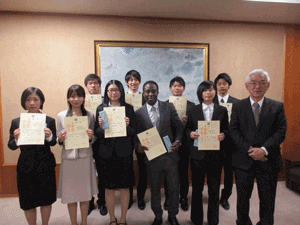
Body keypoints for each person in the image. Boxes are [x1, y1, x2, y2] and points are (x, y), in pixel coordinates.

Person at [230, 69, 287, 225]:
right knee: (242, 199)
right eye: (253, 83)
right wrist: (250, 150)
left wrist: (263, 150)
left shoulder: (277, 106)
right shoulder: (238, 106)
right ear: (247, 85)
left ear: (267, 85)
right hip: (243, 160)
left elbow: (281, 132)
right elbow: (233, 131)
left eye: (262, 83)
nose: (257, 87)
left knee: (268, 200)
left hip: (268, 160)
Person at [135, 80, 184, 225]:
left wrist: (178, 141)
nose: (150, 94)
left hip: (170, 153)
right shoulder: (138, 113)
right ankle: (157, 215)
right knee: (155, 189)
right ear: (143, 94)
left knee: (174, 187)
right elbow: (136, 135)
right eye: (147, 91)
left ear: (158, 92)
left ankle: (172, 215)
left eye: (153, 91)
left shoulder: (168, 107)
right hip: (152, 156)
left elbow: (179, 127)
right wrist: (138, 146)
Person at [8, 87, 57, 225]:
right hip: (25, 166)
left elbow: (53, 143)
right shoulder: (17, 122)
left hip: (45, 165)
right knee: (28, 201)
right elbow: (11, 145)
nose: (32, 103)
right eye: (28, 100)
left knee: (46, 200)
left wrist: (50, 136)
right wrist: (16, 138)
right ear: (23, 102)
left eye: (35, 99)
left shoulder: (49, 120)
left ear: (41, 101)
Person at [94, 80, 137, 225]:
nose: (113, 93)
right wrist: (100, 127)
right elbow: (97, 133)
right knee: (109, 188)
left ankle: (123, 218)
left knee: (125, 187)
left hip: (124, 153)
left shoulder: (129, 109)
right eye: (110, 90)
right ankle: (112, 218)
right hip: (106, 153)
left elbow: (133, 132)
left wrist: (127, 126)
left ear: (121, 92)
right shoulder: (101, 108)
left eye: (116, 90)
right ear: (106, 92)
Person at [186, 80, 228, 225]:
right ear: (200, 93)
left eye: (211, 90)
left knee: (214, 190)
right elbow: (186, 129)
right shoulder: (193, 110)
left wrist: (224, 135)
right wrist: (190, 134)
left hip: (215, 156)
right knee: (197, 189)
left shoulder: (222, 110)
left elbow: (227, 129)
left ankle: (213, 220)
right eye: (205, 90)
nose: (208, 93)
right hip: (198, 156)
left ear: (214, 92)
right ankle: (196, 219)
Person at [57, 84, 98, 225]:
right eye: (73, 96)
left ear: (83, 98)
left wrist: (91, 136)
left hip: (85, 157)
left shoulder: (90, 115)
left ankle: (84, 221)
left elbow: (93, 139)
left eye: (79, 96)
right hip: (69, 159)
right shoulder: (61, 116)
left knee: (85, 194)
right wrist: (60, 138)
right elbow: (59, 140)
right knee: (71, 194)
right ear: (68, 98)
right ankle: (74, 223)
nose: (76, 99)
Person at [164, 76, 195, 212]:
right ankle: (168, 198)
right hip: (169, 143)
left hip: (185, 144)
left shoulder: (191, 105)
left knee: (183, 173)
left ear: (184, 88)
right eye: (174, 86)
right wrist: (175, 120)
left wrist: (185, 122)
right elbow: (162, 125)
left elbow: (193, 126)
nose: (177, 88)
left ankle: (183, 198)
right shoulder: (164, 105)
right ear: (170, 88)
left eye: (180, 85)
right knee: (168, 172)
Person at [213, 73, 239, 210]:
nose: (222, 86)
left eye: (225, 83)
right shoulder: (210, 102)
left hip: (231, 145)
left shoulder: (238, 103)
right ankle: (214, 196)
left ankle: (225, 197)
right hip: (214, 144)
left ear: (229, 85)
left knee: (229, 173)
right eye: (219, 84)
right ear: (215, 86)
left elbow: (240, 125)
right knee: (215, 172)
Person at [84, 73, 108, 216]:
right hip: (84, 141)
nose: (93, 85)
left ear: (100, 86)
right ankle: (88, 201)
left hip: (100, 141)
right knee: (87, 172)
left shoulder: (105, 102)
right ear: (86, 86)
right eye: (90, 83)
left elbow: (106, 124)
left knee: (102, 172)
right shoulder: (81, 101)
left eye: (95, 83)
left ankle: (102, 201)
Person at [125, 69, 146, 210]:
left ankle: (141, 197)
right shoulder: (122, 98)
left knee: (143, 168)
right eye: (131, 80)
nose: (133, 82)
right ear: (127, 82)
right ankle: (129, 197)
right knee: (128, 168)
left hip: (142, 136)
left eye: (136, 79)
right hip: (126, 137)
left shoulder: (145, 97)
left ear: (139, 82)